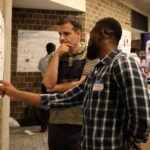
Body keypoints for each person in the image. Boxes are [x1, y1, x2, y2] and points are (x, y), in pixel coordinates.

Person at [0, 17, 150, 150]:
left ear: (101, 34)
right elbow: (59, 99)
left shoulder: (123, 62)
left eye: (90, 35)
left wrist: (133, 141)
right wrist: (15, 93)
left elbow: (141, 111)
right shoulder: (98, 71)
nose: (89, 39)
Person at [43, 16, 98, 150]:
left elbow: (83, 85)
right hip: (56, 120)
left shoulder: (90, 54)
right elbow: (48, 85)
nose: (62, 38)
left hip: (81, 121)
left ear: (78, 33)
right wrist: (56, 56)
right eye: (60, 34)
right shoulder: (54, 55)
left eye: (66, 34)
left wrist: (56, 87)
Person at [38, 42, 56, 132]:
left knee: (44, 105)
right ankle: (53, 127)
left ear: (46, 49)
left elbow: (40, 69)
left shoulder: (41, 60)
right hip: (53, 85)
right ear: (54, 49)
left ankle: (43, 127)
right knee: (54, 105)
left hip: (43, 85)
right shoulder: (55, 60)